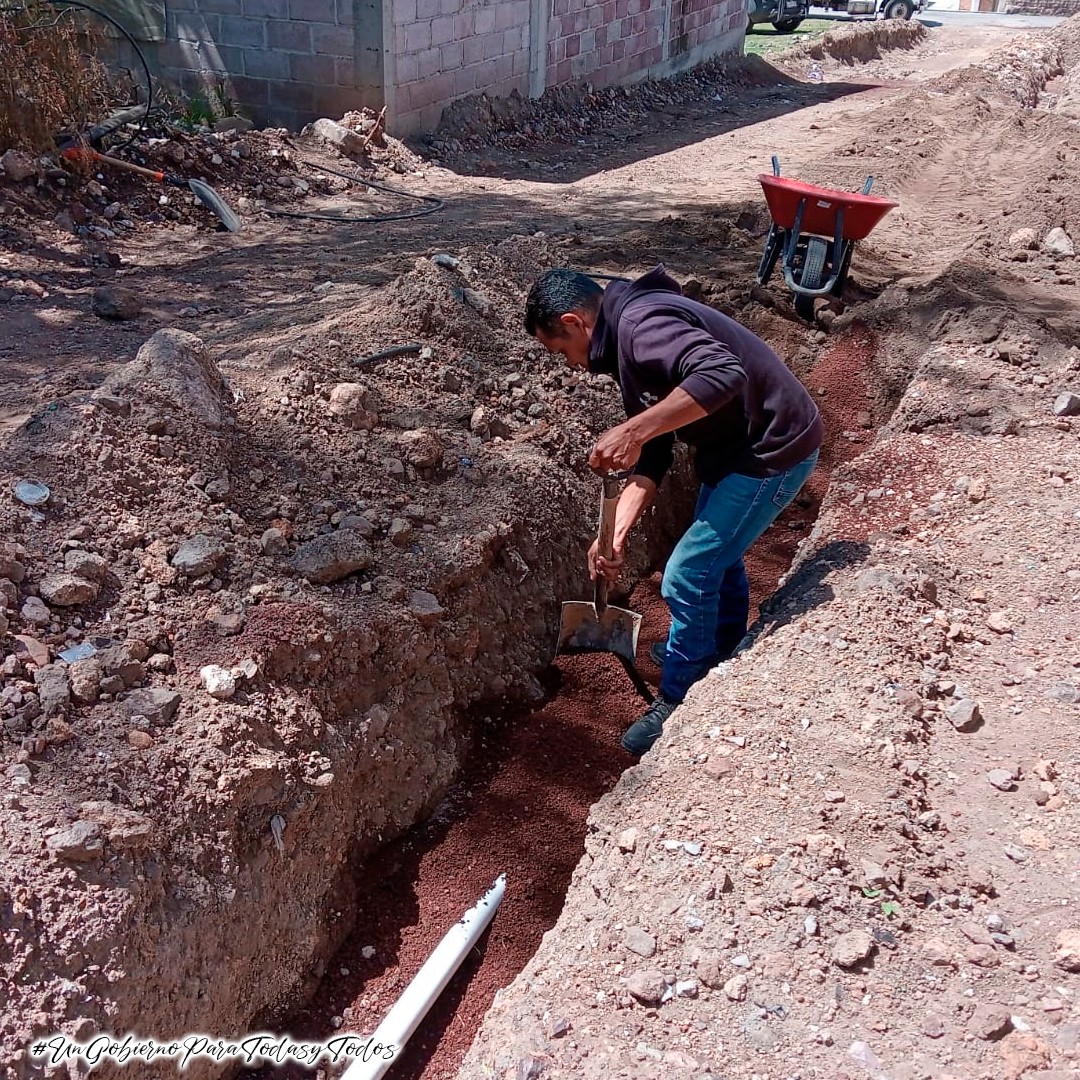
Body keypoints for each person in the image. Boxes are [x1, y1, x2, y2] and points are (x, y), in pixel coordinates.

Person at [525, 265, 823, 755]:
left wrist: (633, 430)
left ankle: (680, 698)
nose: (571, 365)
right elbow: (657, 454)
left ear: (575, 322)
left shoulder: (643, 328)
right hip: (735, 452)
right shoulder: (626, 346)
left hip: (772, 449)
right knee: (714, 561)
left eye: (562, 350)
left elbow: (723, 373)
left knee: (687, 573)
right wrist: (615, 532)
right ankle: (721, 648)